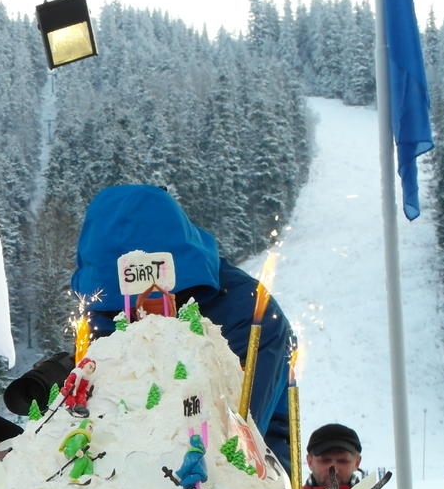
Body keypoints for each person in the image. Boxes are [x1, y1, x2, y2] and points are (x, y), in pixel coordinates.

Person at [66, 184, 296, 472]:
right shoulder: (103, 309)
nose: (133, 315)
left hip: (248, 477)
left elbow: (226, 435)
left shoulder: (248, 314)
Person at [302, 423, 364, 489]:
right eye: (325, 460)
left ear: (357, 463)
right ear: (309, 461)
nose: (334, 471)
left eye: (343, 461)